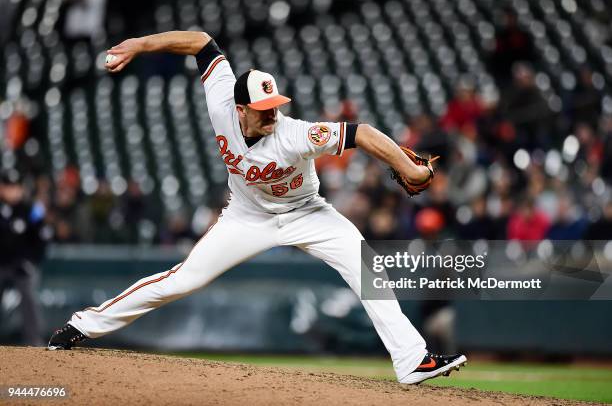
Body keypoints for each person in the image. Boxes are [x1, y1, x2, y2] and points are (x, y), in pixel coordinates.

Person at [48, 30, 467, 384]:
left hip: (307, 212)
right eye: (264, 111)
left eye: (275, 107)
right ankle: (82, 325)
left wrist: (405, 168)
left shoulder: (295, 133)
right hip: (247, 216)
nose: (273, 115)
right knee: (182, 280)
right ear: (241, 109)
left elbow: (362, 133)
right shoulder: (220, 104)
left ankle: (412, 359)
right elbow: (199, 41)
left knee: (366, 265)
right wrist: (139, 44)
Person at [0, 170, 48, 346]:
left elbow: (42, 240)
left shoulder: (31, 209)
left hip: (23, 264)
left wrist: (31, 261)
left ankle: (34, 340)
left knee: (28, 296)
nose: (12, 191)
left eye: (15, 187)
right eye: (8, 186)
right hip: (1, 264)